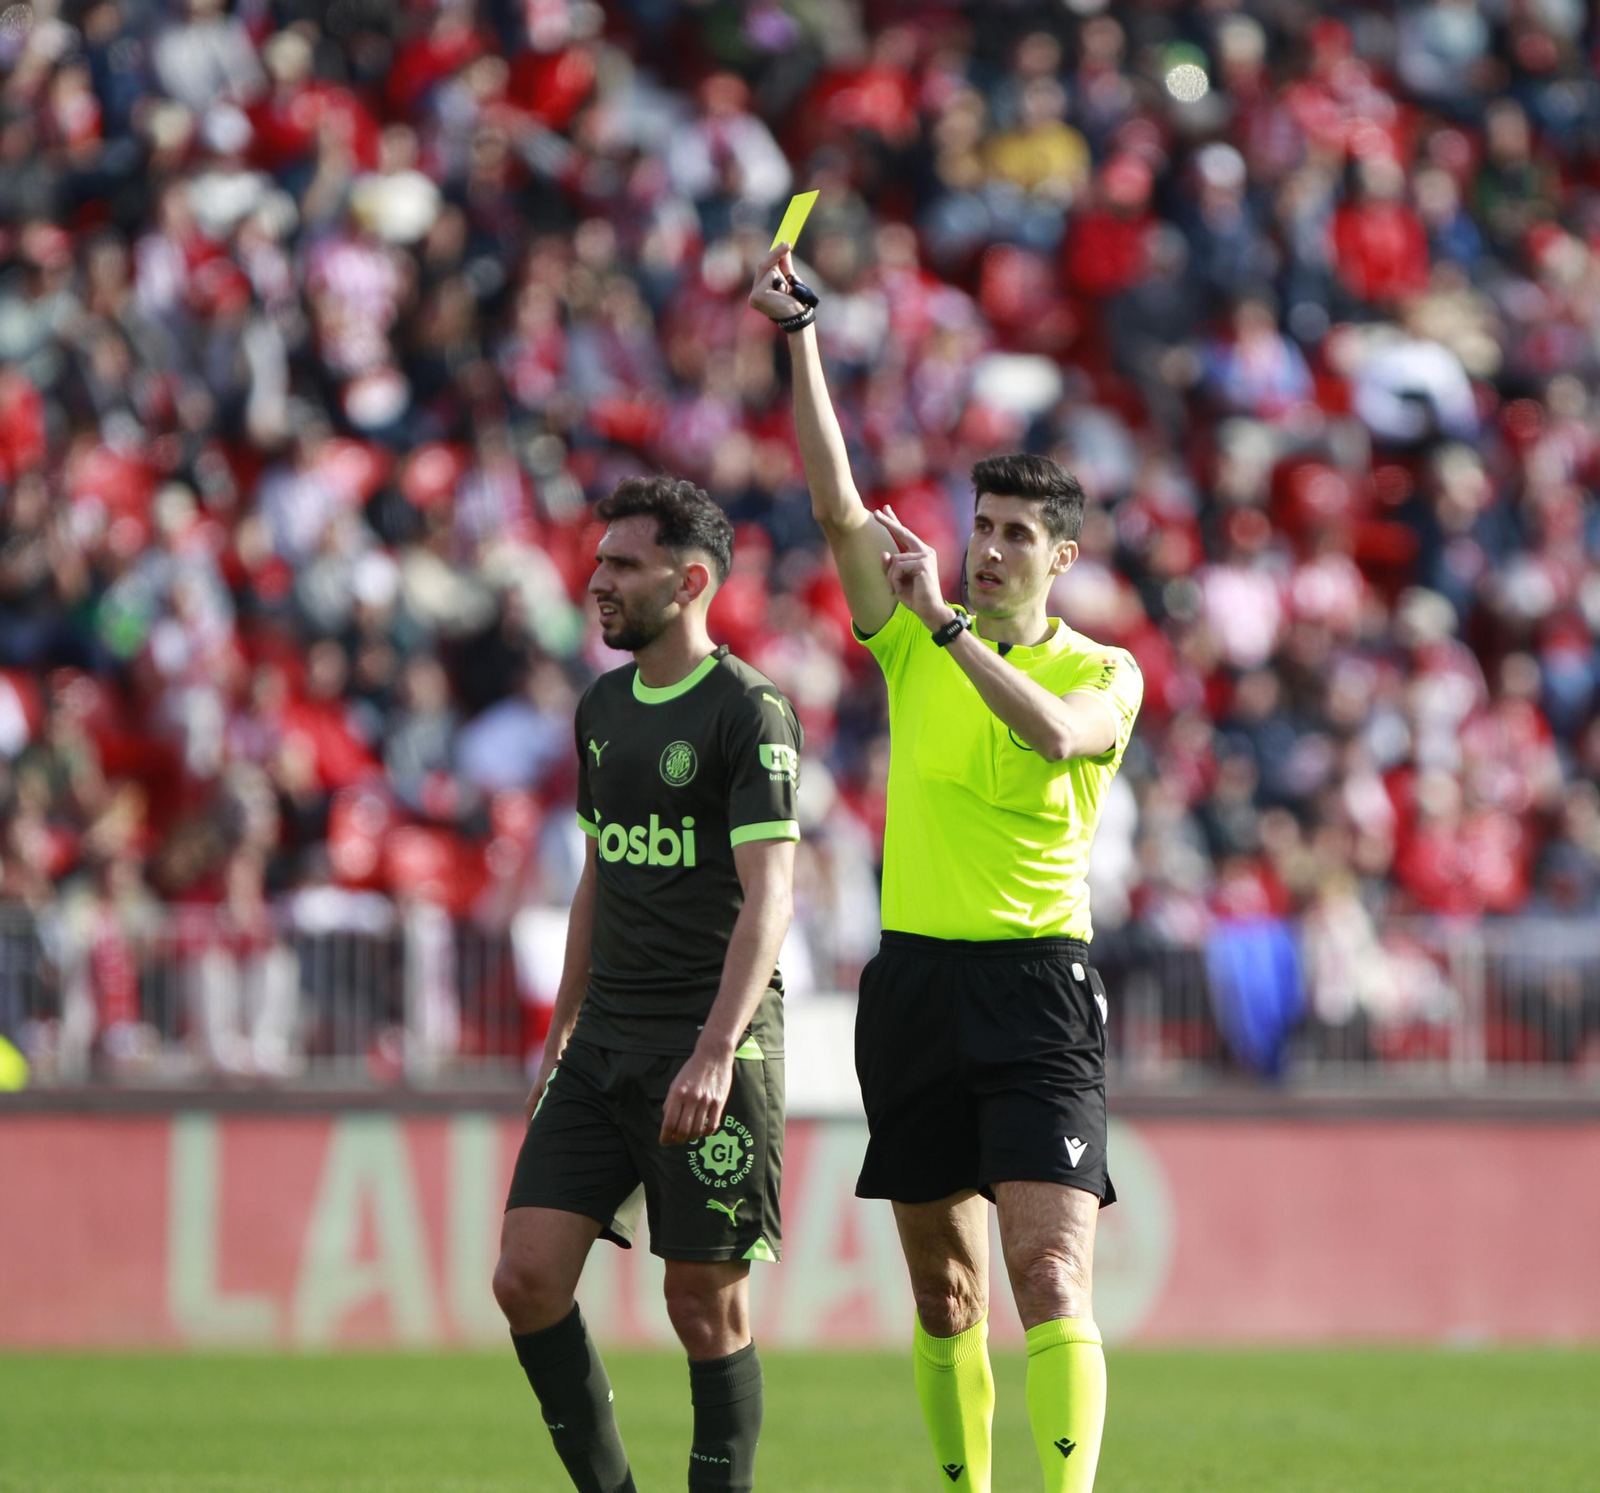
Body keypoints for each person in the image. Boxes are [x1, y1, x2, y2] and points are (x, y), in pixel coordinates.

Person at [751, 245, 1143, 1493]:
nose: (988, 547)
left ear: (1062, 558)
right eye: (982, 527)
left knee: (1049, 1272)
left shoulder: (1100, 670)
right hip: (914, 982)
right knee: (945, 1283)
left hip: (1036, 988)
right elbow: (832, 502)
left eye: (1018, 533)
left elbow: (1054, 734)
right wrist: (799, 335)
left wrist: (948, 627)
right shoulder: (921, 637)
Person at [492, 476, 802, 1493]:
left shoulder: (748, 712)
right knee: (526, 1277)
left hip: (708, 1042)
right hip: (604, 1040)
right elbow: (598, 876)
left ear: (691, 578)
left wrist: (716, 1048)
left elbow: (769, 900)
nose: (598, 581)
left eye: (623, 564)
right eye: (600, 561)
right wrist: (560, 1035)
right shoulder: (601, 708)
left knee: (701, 1302)